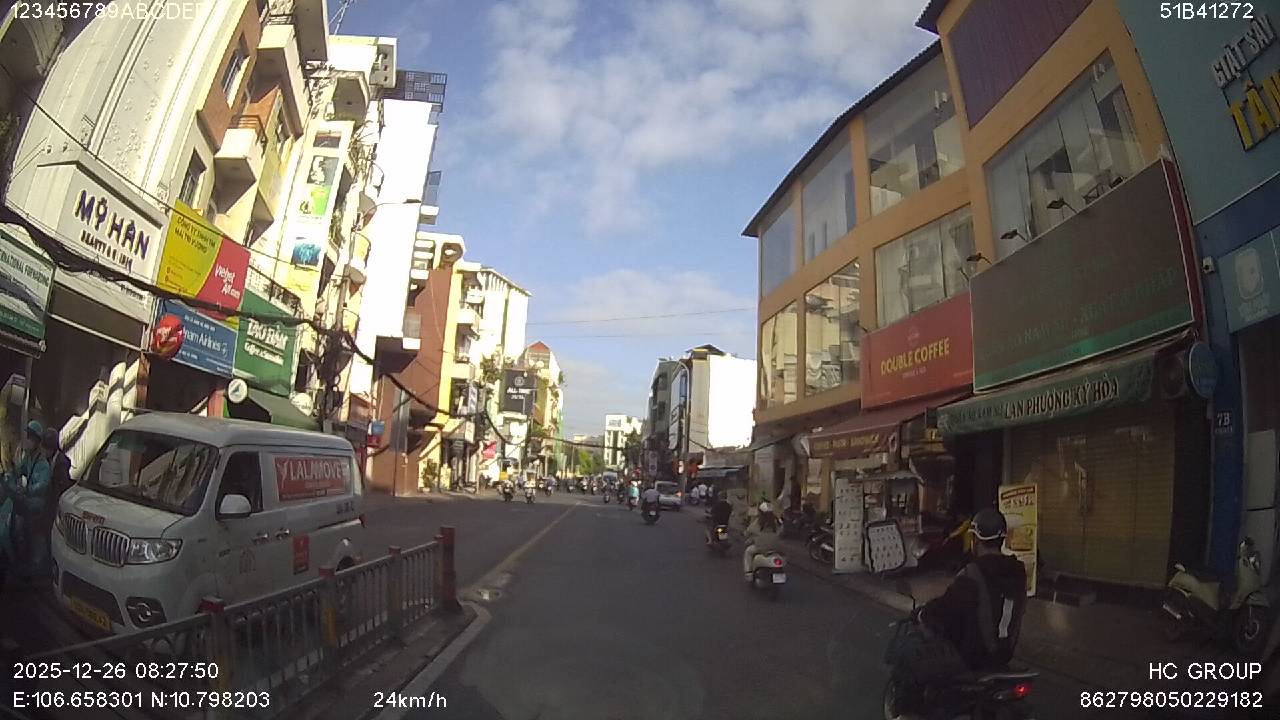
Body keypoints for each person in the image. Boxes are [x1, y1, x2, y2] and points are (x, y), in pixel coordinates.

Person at [920, 508, 1027, 672]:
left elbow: (946, 607)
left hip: (973, 658)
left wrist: (924, 613)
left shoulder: (972, 574)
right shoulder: (1017, 572)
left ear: (976, 540)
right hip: (1004, 655)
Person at [2, 421, 52, 579]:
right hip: (24, 499)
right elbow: (19, 470)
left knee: (20, 526)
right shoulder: (28, 458)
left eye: (30, 437)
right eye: (27, 436)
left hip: (35, 504)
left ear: (37, 440)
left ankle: (24, 560)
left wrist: (27, 490)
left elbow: (42, 485)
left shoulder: (42, 464)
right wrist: (9, 474)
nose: (27, 440)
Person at [743, 502, 781, 582]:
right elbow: (781, 531)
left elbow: (749, 531)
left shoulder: (758, 521)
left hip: (761, 547)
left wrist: (745, 534)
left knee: (748, 552)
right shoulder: (776, 521)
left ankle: (749, 572)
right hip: (775, 546)